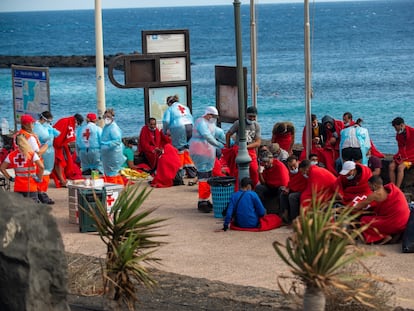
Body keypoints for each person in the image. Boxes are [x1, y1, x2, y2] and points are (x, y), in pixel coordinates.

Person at [354, 175, 410, 244]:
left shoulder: (376, 194)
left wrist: (344, 209)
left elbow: (358, 206)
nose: (369, 188)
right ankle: (395, 234)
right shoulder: (393, 188)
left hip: (395, 223)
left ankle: (383, 237)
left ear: (374, 185)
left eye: (370, 186)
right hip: (405, 221)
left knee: (364, 220)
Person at [189, 106, 225, 213]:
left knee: (208, 175)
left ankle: (205, 199)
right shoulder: (200, 122)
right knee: (203, 177)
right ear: (208, 114)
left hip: (208, 152)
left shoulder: (210, 124)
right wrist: (219, 145)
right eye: (214, 116)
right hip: (200, 151)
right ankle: (202, 201)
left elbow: (219, 133)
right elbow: (207, 136)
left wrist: (230, 141)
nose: (214, 118)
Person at [225, 106, 261, 187]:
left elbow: (258, 142)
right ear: (246, 115)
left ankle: (253, 189)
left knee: (254, 171)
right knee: (236, 171)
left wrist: (246, 147)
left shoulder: (256, 126)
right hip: (238, 149)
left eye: (254, 116)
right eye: (250, 116)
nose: (252, 118)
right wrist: (228, 147)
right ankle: (237, 189)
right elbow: (228, 134)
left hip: (250, 150)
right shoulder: (239, 123)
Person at [162, 94, 196, 180]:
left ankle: (179, 174)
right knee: (187, 149)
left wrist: (165, 131)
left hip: (178, 127)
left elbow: (166, 121)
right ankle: (191, 172)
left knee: (179, 150)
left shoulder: (170, 109)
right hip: (190, 126)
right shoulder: (185, 107)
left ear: (169, 103)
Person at [0, 134, 44, 202]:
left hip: (18, 187)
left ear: (16, 143)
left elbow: (2, 168)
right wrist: (39, 179)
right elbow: (41, 167)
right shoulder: (32, 154)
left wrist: (10, 178)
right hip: (31, 187)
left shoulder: (11, 155)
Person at [33, 111, 60, 204]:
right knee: (42, 171)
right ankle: (40, 192)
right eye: (48, 121)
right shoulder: (37, 127)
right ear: (43, 119)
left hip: (49, 151)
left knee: (47, 172)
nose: (49, 123)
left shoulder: (45, 126)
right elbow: (45, 138)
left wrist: (51, 130)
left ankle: (42, 192)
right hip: (43, 151)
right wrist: (51, 134)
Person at [52, 113, 84, 187]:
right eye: (77, 124)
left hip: (58, 144)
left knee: (60, 162)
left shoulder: (64, 120)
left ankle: (62, 179)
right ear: (76, 120)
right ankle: (62, 180)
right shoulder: (69, 123)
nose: (76, 125)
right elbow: (69, 136)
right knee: (59, 162)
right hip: (57, 145)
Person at [255, 150, 289, 215]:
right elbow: (263, 182)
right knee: (259, 188)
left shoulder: (279, 166)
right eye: (264, 162)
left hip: (278, 187)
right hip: (269, 186)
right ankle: (261, 210)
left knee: (282, 190)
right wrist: (260, 173)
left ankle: (282, 213)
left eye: (267, 162)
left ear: (271, 159)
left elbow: (284, 182)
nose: (266, 164)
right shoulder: (263, 166)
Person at [100, 108, 126, 185]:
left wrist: (105, 144)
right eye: (105, 116)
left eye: (108, 116)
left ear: (112, 117)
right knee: (109, 174)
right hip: (107, 155)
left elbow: (117, 141)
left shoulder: (113, 128)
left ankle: (115, 189)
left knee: (113, 174)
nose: (106, 118)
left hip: (113, 155)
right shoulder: (106, 127)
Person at [279, 155, 307, 224]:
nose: (293, 168)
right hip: (294, 188)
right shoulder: (291, 171)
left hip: (303, 190)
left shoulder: (303, 170)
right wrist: (288, 188)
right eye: (290, 166)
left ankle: (294, 219)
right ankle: (285, 214)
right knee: (283, 193)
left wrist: (290, 188)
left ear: (297, 162)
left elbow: (302, 184)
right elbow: (291, 182)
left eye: (294, 165)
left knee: (292, 197)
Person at [389, 117, 414, 188]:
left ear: (402, 125)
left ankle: (397, 188)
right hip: (403, 157)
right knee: (391, 166)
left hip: (412, 159)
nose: (396, 130)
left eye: (396, 128)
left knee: (401, 167)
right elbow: (401, 148)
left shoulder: (412, 132)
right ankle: (393, 186)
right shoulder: (398, 135)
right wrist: (396, 157)